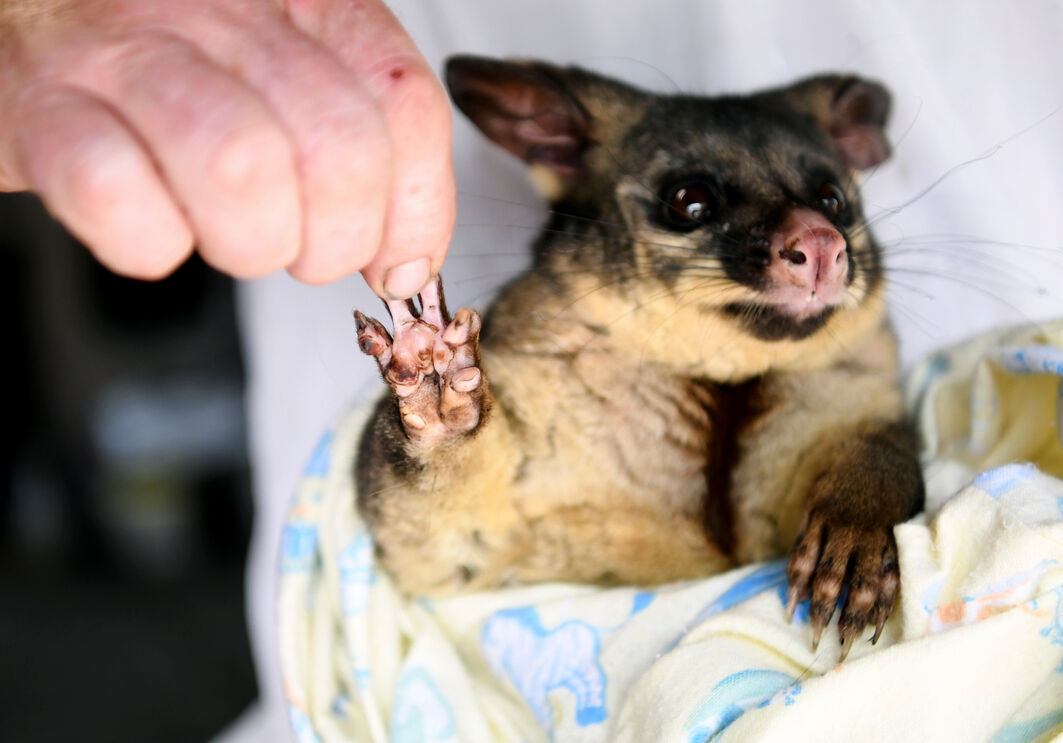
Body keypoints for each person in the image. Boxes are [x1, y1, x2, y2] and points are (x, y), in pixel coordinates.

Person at [3, 1, 1061, 741]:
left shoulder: (852, 355)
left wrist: (865, 503)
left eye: (827, 203)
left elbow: (868, 444)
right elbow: (438, 552)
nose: (810, 239)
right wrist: (442, 423)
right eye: (693, 205)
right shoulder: (545, 348)